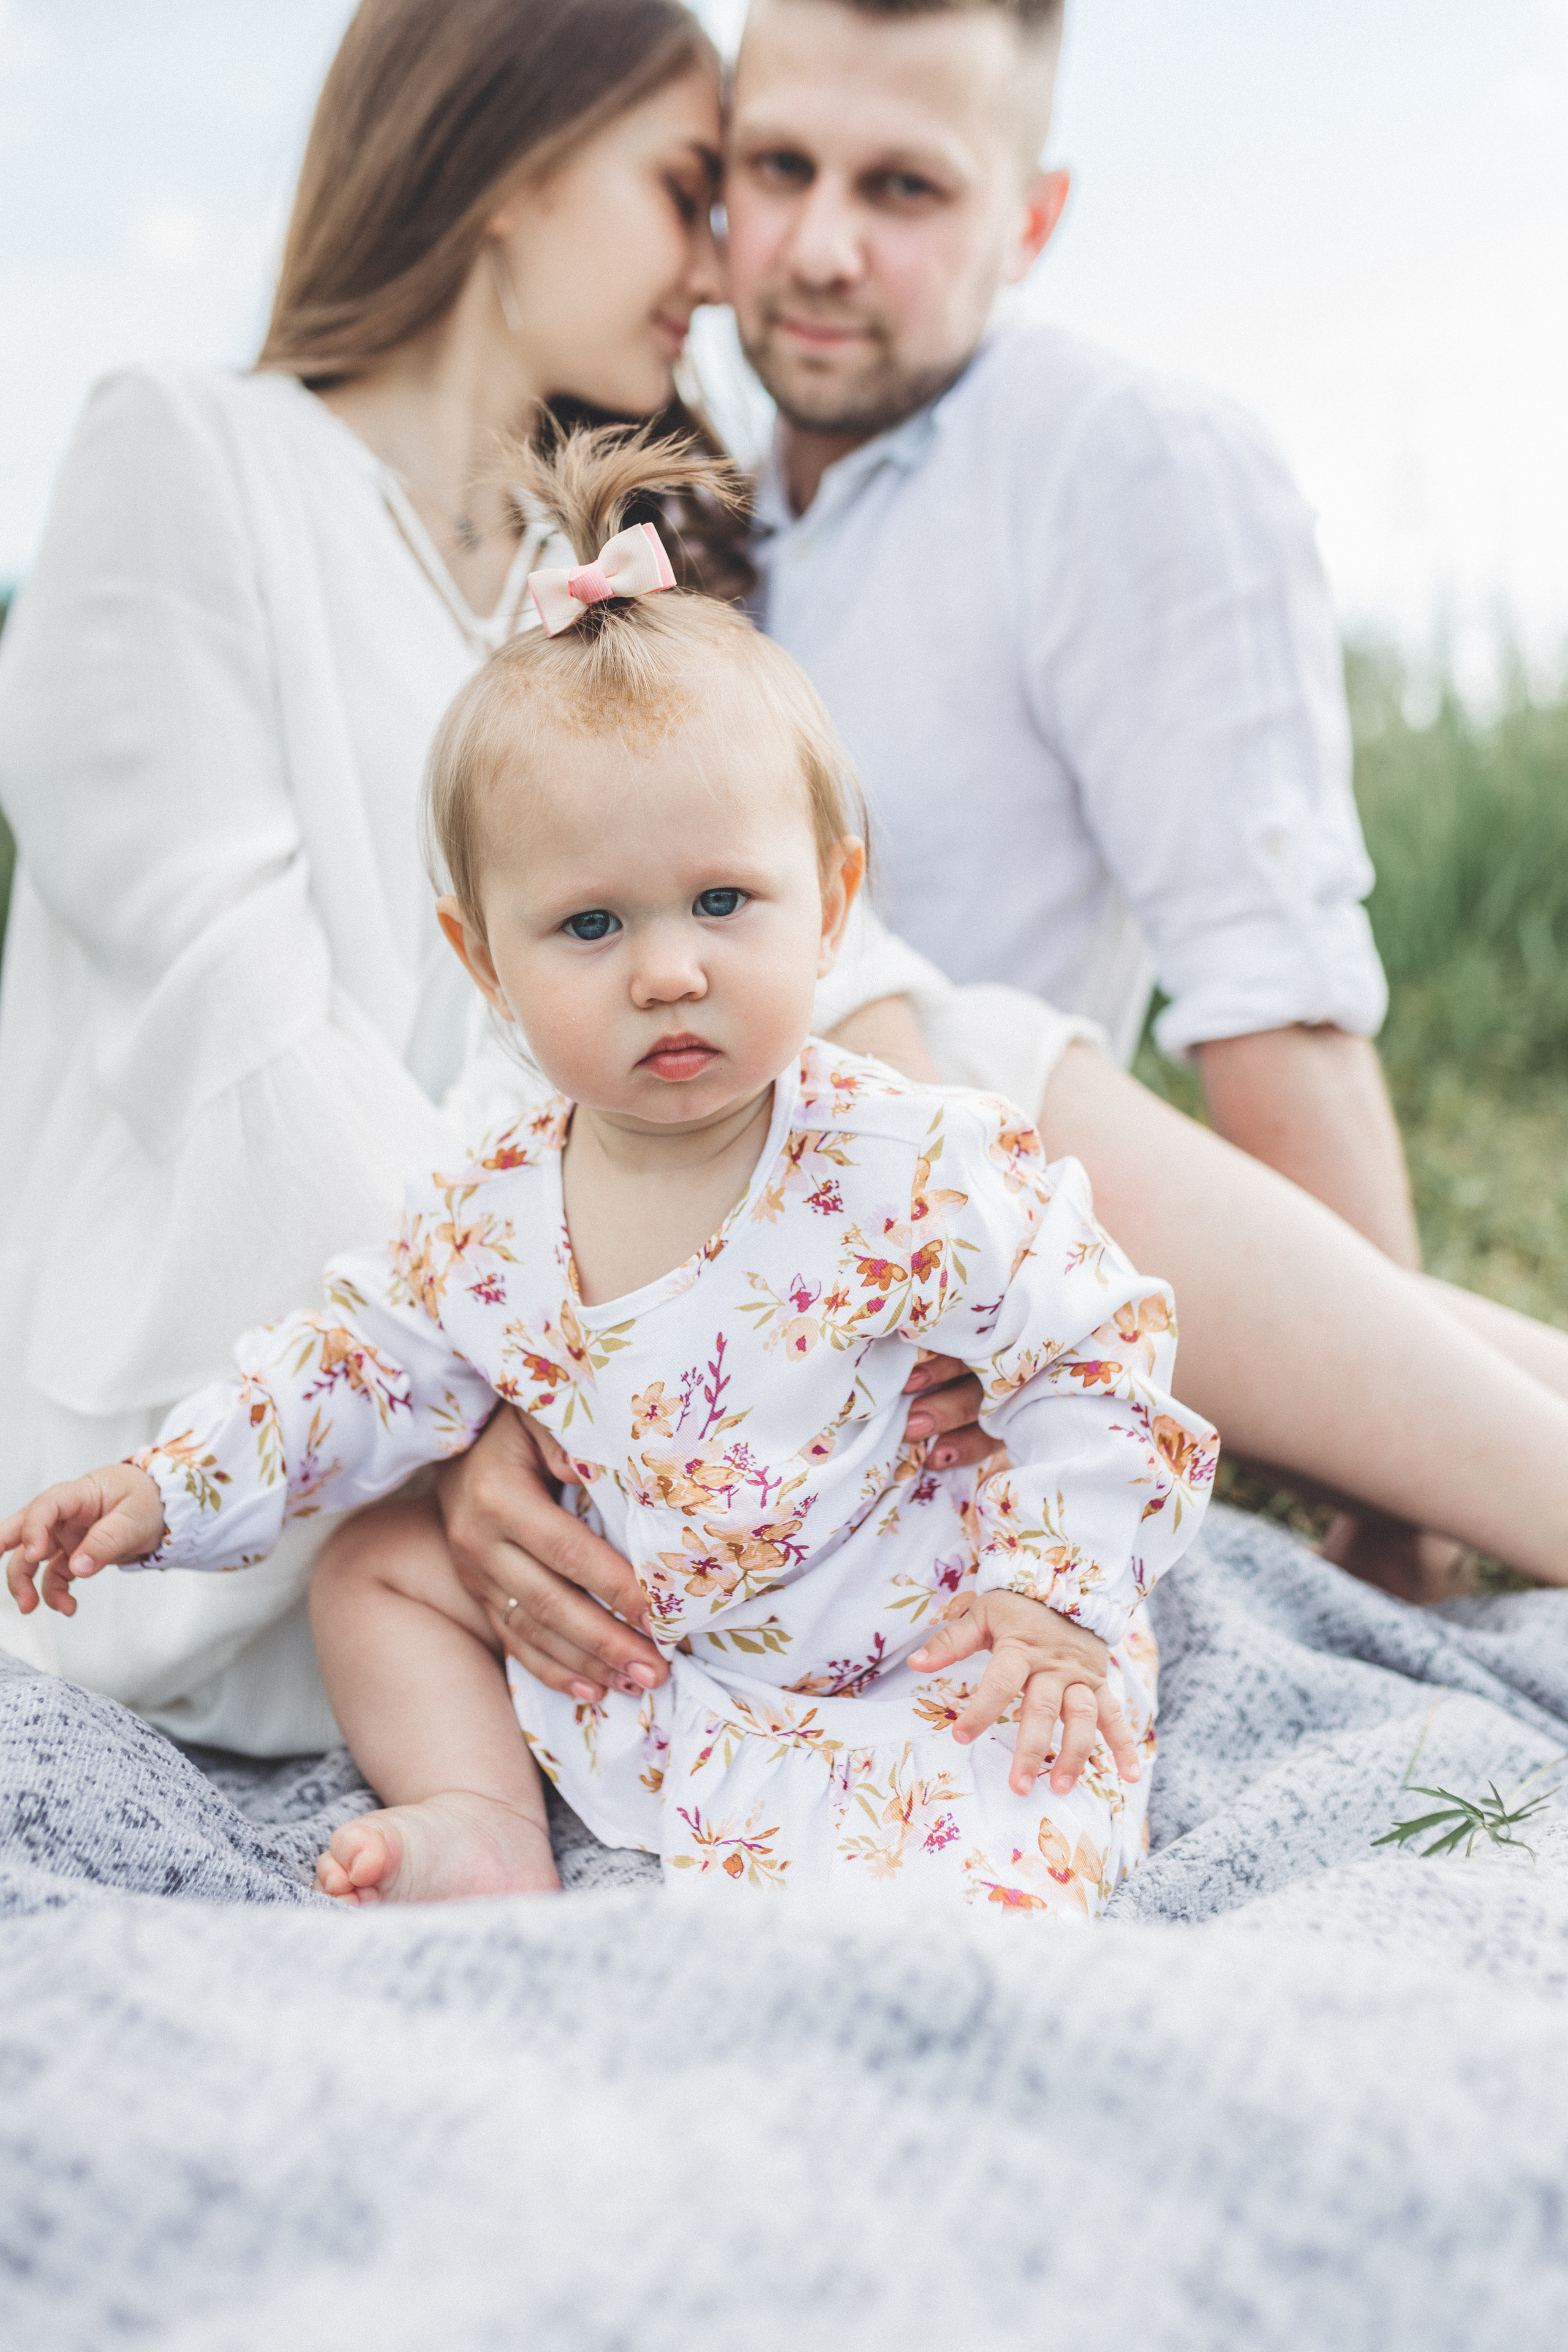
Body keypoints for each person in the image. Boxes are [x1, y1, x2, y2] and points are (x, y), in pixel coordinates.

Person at [2, 434, 1217, 1914]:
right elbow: (343, 1377)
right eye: (590, 926)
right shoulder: (486, 1212)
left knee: (981, 1847)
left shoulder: (907, 1163)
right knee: (372, 1571)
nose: (667, 971)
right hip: (653, 1657)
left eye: (723, 901)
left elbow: (1097, 1348)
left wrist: (1051, 1595)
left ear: (830, 900)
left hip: (916, 1656)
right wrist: (163, 1487)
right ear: (484, 962)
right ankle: (480, 1819)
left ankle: (917, 1849)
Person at [0, 0, 734, 1751]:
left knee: (955, 1055)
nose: (716, 270)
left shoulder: (593, 589)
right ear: (514, 164)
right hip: (200, 1500)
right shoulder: (181, 450)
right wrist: (500, 1400)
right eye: (682, 190)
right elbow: (235, 1033)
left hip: (539, 1472)